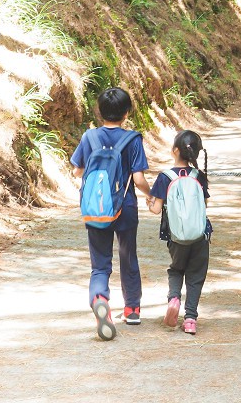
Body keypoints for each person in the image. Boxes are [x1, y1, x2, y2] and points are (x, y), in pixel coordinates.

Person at [71, 87, 151, 340]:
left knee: (100, 264)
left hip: (96, 208)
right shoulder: (132, 139)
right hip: (124, 207)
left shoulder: (89, 138)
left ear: (100, 111)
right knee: (128, 257)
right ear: (127, 113)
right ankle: (132, 309)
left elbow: (77, 171)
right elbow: (138, 178)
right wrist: (150, 194)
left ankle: (99, 298)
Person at [147, 130, 211, 336]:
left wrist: (150, 203)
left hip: (175, 237)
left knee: (176, 270)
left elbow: (157, 209)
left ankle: (174, 298)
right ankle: (190, 318)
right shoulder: (198, 176)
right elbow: (205, 205)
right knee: (195, 275)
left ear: (175, 150)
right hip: (200, 236)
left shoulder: (165, 177)